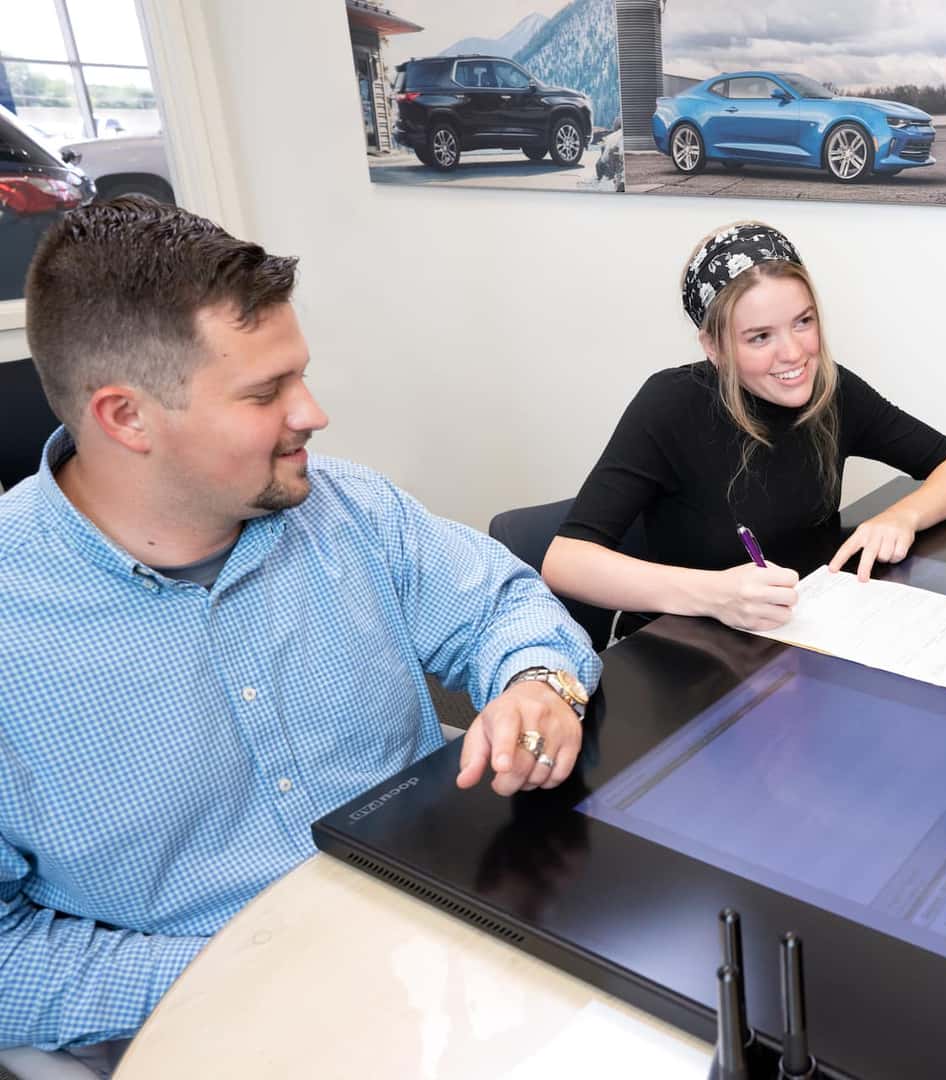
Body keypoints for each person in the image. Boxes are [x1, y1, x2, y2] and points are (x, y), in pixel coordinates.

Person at [0, 197, 599, 1066]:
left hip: (453, 938)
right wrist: (238, 970)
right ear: (126, 418)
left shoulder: (349, 509)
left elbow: (503, 604)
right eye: (265, 392)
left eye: (300, 374)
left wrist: (538, 683)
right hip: (225, 1030)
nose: (312, 412)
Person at [542, 221, 946, 631]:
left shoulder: (831, 389)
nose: (793, 353)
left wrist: (901, 517)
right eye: (760, 337)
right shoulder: (670, 405)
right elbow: (566, 562)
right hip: (692, 654)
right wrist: (715, 595)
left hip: (805, 634)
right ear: (715, 346)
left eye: (803, 322)